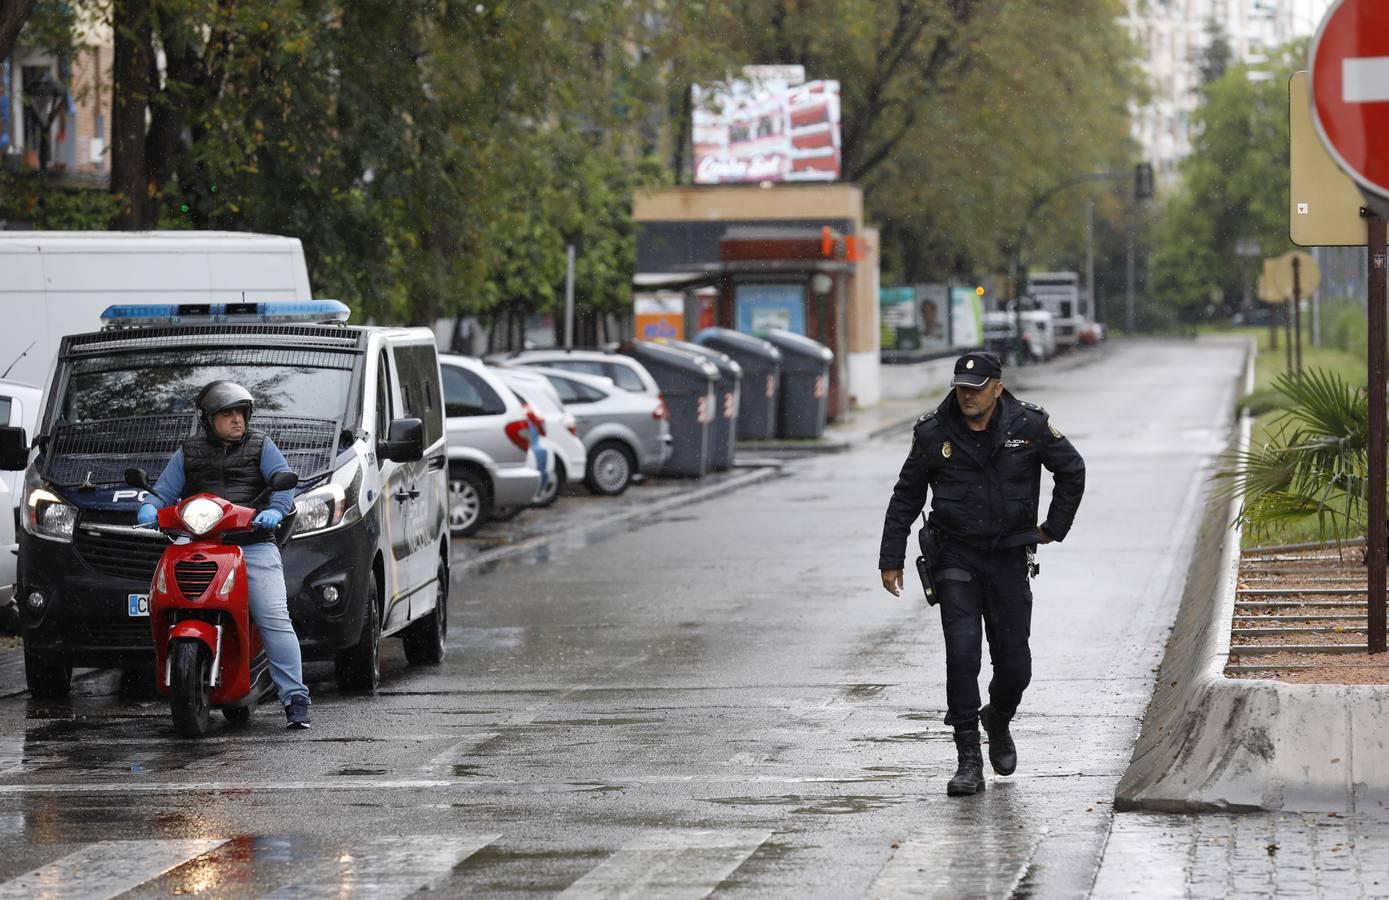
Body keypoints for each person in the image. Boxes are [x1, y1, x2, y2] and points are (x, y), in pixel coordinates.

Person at [878, 351, 1084, 796]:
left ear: (997, 387)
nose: (967, 395)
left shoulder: (1029, 425)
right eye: (961, 387)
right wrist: (890, 557)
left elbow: (1072, 470)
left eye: (976, 388)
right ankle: (968, 757)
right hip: (956, 557)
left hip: (1009, 557)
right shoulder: (933, 432)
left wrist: (1053, 528)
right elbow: (906, 495)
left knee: (1015, 666)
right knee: (963, 652)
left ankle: (999, 717)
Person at [137, 381, 312, 730]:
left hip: (252, 543)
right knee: (162, 603)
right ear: (208, 419)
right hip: (199, 544)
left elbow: (283, 481)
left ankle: (295, 699)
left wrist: (276, 510)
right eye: (227, 413)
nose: (237, 420)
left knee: (274, 616)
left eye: (241, 413)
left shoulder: (262, 446)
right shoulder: (188, 451)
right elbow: (164, 492)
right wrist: (149, 508)